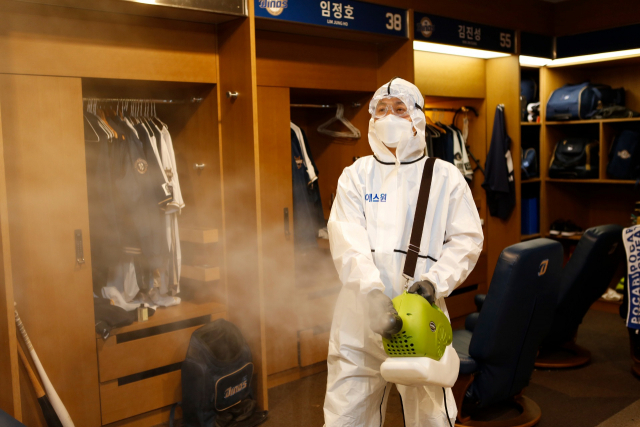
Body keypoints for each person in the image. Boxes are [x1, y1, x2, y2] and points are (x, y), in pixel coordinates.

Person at [323, 78, 484, 427]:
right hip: (359, 316)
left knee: (431, 418)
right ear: (371, 120)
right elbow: (346, 240)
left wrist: (433, 283)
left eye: (399, 109)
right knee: (345, 416)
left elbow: (467, 239)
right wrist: (371, 293)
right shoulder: (356, 177)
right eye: (381, 110)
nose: (389, 117)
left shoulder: (445, 177)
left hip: (419, 315)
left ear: (417, 118)